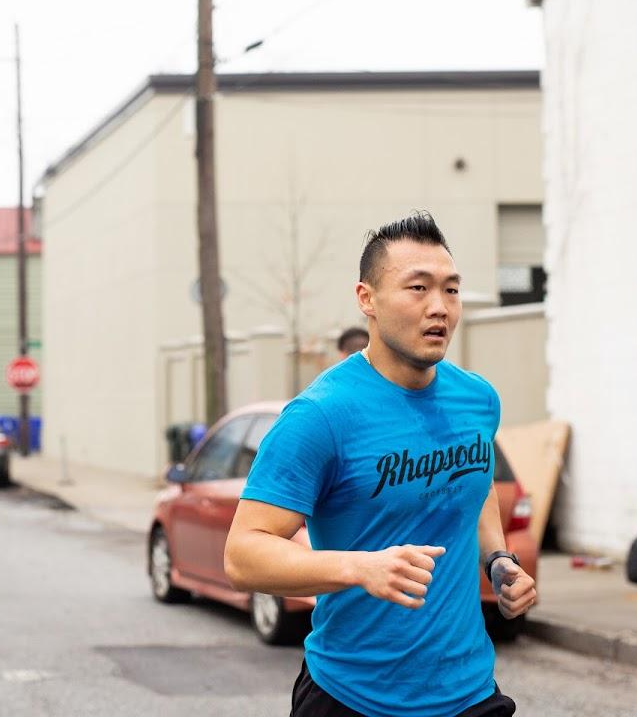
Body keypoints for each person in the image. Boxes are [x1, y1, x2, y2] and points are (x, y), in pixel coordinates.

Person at [224, 212, 536, 717]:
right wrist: (358, 566)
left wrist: (498, 560)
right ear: (366, 299)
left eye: (451, 290)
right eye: (418, 288)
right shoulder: (320, 416)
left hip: (471, 693)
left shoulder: (478, 400)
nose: (440, 307)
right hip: (354, 697)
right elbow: (242, 556)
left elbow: (474, 490)